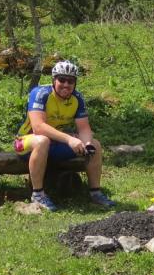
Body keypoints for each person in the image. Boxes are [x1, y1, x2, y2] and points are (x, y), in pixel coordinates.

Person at [14, 60, 114, 211]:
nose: (66, 85)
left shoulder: (77, 98)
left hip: (54, 143)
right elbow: (38, 127)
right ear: (54, 80)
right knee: (42, 140)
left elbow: (84, 128)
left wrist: (87, 144)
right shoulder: (40, 93)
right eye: (62, 80)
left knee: (96, 145)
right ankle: (38, 194)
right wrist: (69, 139)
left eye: (71, 81)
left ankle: (95, 193)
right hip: (25, 143)